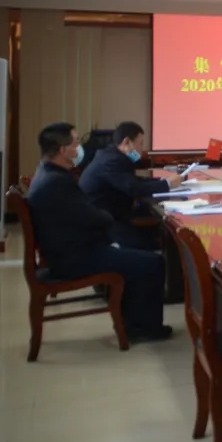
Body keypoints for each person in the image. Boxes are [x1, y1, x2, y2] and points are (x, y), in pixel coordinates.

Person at [26, 123, 171, 341]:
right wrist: (107, 222)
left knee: (138, 254)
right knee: (153, 263)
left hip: (66, 250)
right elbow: (94, 217)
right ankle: (144, 328)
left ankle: (133, 322)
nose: (80, 147)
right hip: (75, 257)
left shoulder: (47, 173)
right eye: (76, 142)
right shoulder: (57, 182)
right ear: (63, 150)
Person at [79, 121, 183, 250]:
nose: (141, 149)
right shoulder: (111, 161)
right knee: (156, 243)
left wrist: (161, 181)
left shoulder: (111, 155)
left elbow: (133, 181)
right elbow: (134, 188)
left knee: (157, 232)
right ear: (127, 142)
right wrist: (167, 184)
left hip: (113, 215)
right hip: (104, 225)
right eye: (140, 143)